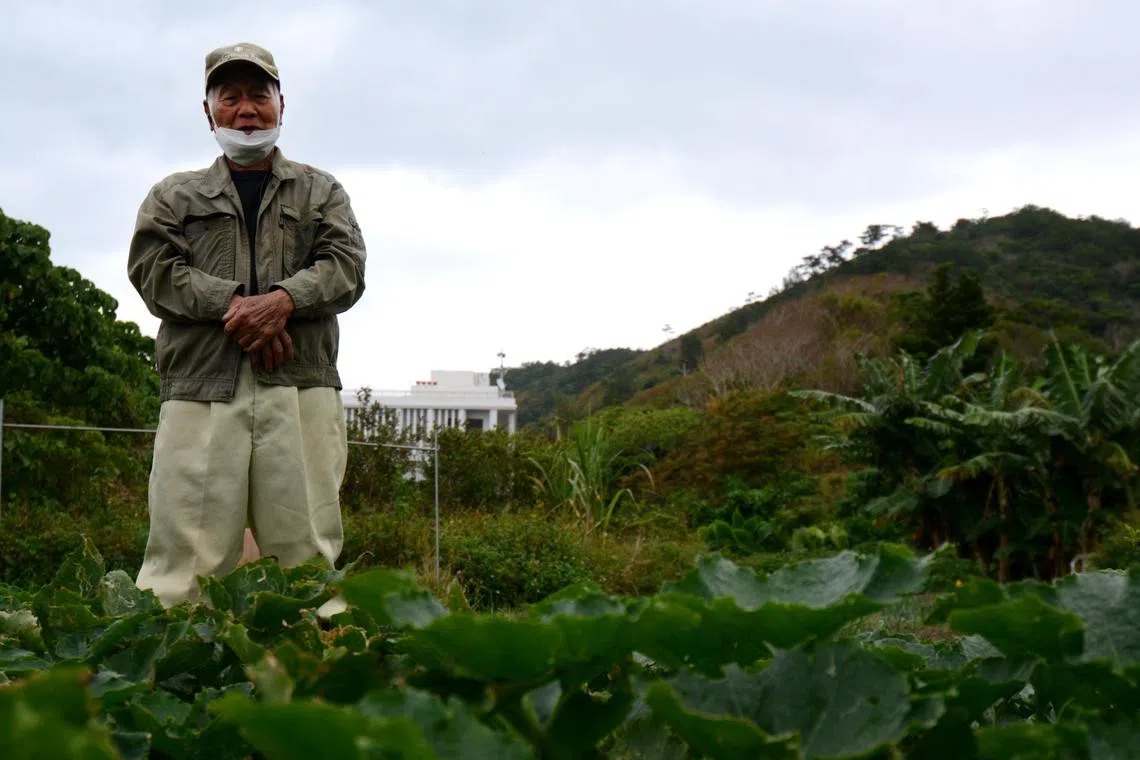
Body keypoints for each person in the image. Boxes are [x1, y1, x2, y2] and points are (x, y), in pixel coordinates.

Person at [127, 42, 367, 608]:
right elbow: (152, 270)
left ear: (282, 105)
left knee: (305, 548)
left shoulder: (321, 190)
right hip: (200, 388)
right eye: (229, 96)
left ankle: (308, 674)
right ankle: (174, 680)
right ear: (207, 110)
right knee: (183, 557)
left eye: (259, 95)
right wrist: (234, 303)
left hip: (300, 385)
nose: (246, 109)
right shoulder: (173, 195)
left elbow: (347, 267)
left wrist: (284, 299)